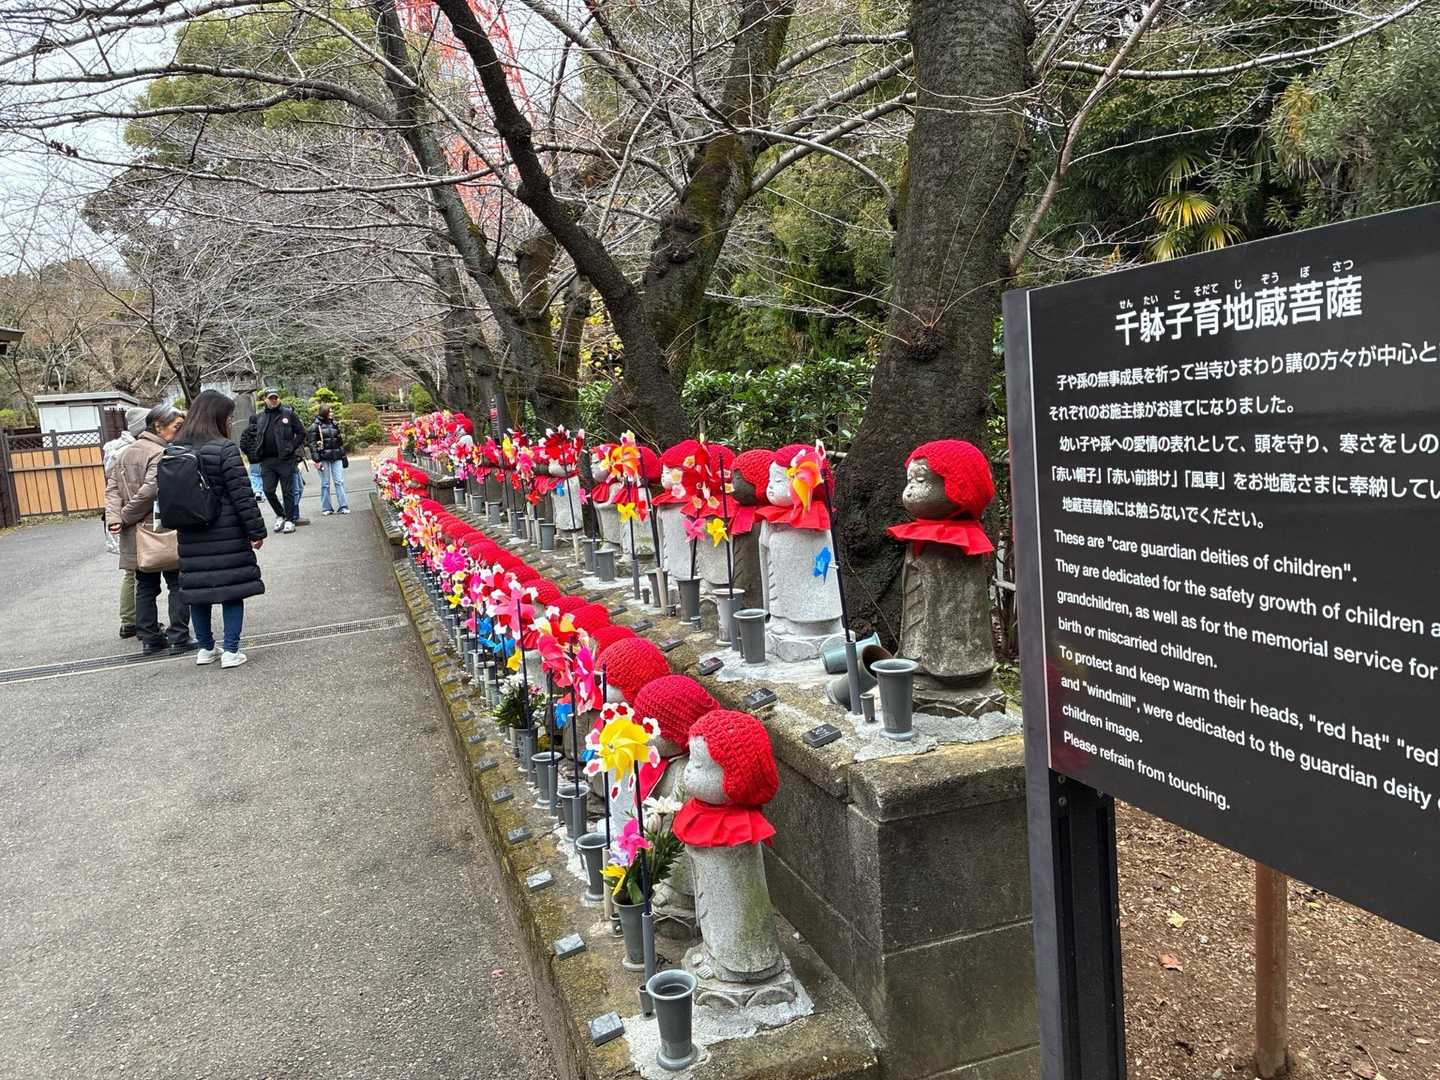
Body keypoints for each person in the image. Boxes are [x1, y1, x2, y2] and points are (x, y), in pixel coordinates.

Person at [172, 390, 267, 668]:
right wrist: (256, 531)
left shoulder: (175, 448)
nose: (229, 421)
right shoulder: (224, 448)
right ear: (217, 417)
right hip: (227, 530)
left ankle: (205, 648)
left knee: (198, 592)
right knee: (232, 591)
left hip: (190, 532)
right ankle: (231, 651)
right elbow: (242, 495)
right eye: (228, 416)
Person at [104, 404, 191, 656]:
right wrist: (125, 516)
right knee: (177, 582)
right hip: (160, 528)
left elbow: (112, 489)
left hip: (134, 533)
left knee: (145, 585)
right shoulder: (161, 453)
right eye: (176, 427)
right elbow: (150, 490)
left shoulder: (125, 452)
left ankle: (150, 639)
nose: (179, 432)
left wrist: (115, 518)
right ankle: (179, 636)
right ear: (158, 426)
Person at [103, 406, 148, 638]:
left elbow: (111, 489)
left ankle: (129, 620)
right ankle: (137, 620)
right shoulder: (133, 450)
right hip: (135, 515)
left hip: (121, 514)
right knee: (141, 571)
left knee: (132, 570)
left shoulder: (114, 449)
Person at [238, 388, 305, 533]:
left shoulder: (288, 414)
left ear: (279, 399)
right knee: (267, 490)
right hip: (267, 460)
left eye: (275, 398)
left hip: (285, 459)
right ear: (265, 400)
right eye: (270, 398)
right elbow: (256, 436)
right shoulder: (261, 417)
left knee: (288, 491)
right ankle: (281, 514)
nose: (273, 400)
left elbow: (301, 432)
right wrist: (256, 451)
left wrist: (291, 447)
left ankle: (290, 520)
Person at [308, 404, 350, 515]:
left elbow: (340, 443)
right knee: (325, 483)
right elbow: (312, 444)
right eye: (330, 411)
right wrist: (316, 459)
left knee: (339, 481)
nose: (332, 413)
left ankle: (343, 506)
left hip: (337, 456)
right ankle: (326, 508)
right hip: (323, 458)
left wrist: (344, 457)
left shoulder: (334, 424)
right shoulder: (315, 426)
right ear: (325, 412)